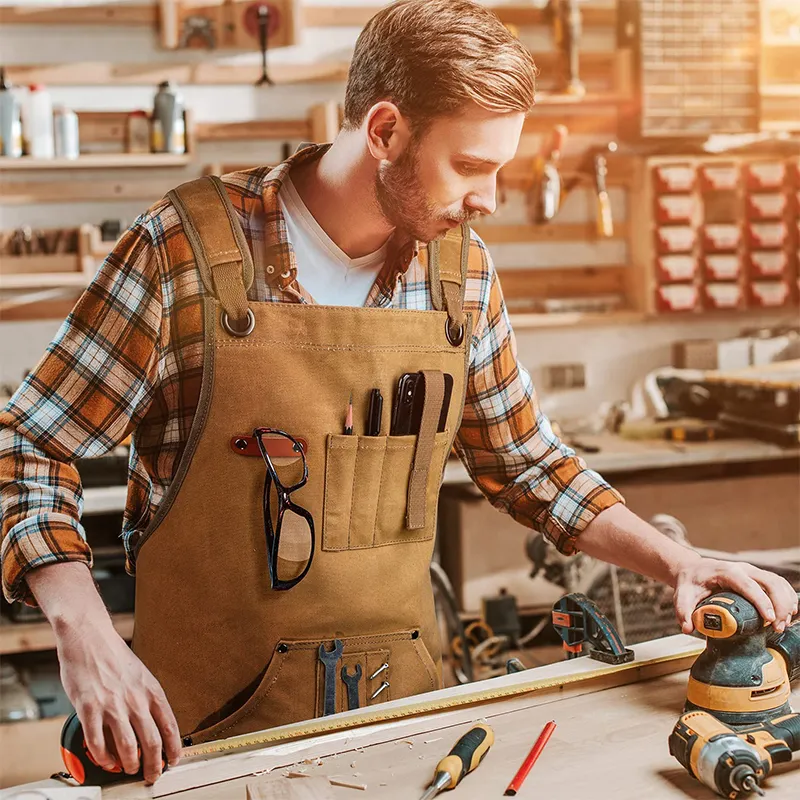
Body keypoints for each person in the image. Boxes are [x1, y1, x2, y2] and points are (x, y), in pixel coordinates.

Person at [1, 0, 796, 787]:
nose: (489, 198)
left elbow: (526, 463)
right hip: (200, 742)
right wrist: (86, 635)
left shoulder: (462, 274)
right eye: (472, 166)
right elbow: (28, 445)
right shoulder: (185, 248)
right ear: (384, 131)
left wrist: (677, 562)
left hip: (403, 728)